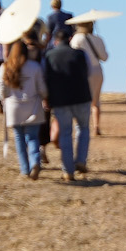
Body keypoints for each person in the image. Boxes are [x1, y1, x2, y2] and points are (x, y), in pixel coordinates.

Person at [42, 26, 93, 180]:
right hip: (82, 96)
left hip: (60, 99)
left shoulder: (49, 56)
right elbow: (89, 72)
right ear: (70, 39)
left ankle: (67, 169)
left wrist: (47, 98)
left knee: (65, 133)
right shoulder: (81, 54)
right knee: (83, 129)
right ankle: (81, 160)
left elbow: (45, 77)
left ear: (55, 41)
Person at [0, 39, 48, 179]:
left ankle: (25, 169)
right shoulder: (35, 66)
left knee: (19, 138)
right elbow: (42, 88)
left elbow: (2, 89)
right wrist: (45, 97)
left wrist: (6, 97)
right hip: (33, 106)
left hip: (14, 108)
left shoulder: (5, 67)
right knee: (32, 137)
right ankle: (35, 162)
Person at [71, 20, 109, 124]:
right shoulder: (98, 39)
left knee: (83, 99)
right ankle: (96, 125)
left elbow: (73, 55)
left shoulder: (77, 39)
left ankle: (83, 124)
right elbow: (104, 57)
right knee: (96, 101)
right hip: (97, 70)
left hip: (82, 70)